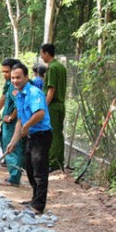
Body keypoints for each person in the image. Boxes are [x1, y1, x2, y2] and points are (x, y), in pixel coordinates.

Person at [7, 63, 52, 214]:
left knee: (39, 170)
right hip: (29, 136)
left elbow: (40, 113)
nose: (15, 81)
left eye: (18, 77)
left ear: (26, 77)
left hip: (41, 135)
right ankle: (34, 198)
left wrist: (27, 125)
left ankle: (38, 205)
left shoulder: (34, 92)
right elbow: (20, 121)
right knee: (30, 168)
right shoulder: (19, 95)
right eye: (13, 78)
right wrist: (12, 142)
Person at [40, 43, 67, 172]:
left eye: (41, 53)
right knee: (58, 133)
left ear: (46, 53)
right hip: (60, 104)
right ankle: (59, 161)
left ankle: (53, 163)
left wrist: (43, 107)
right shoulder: (61, 67)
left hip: (53, 105)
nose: (41, 56)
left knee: (53, 134)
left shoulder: (52, 68)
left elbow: (51, 90)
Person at [0, 58, 23, 187]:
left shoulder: (14, 86)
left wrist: (11, 117)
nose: (5, 75)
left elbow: (19, 104)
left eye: (7, 72)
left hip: (12, 125)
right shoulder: (9, 85)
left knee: (12, 148)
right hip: (8, 123)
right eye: (3, 72)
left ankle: (14, 178)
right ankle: (14, 175)